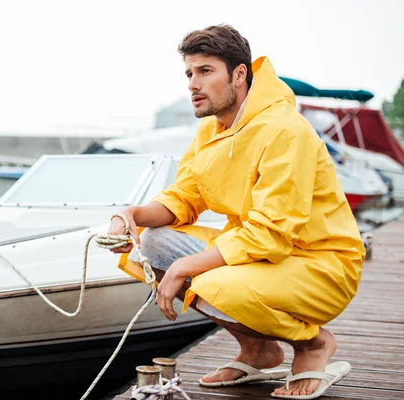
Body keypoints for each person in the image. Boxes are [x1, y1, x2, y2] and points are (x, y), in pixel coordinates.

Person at [107, 25, 364, 399]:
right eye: (189, 74)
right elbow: (187, 195)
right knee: (154, 243)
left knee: (210, 281)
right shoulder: (212, 130)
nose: (193, 84)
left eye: (206, 71)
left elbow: (272, 233)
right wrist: (131, 214)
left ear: (239, 74)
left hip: (322, 264)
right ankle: (259, 350)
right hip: (263, 258)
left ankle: (313, 344)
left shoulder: (283, 130)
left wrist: (185, 267)